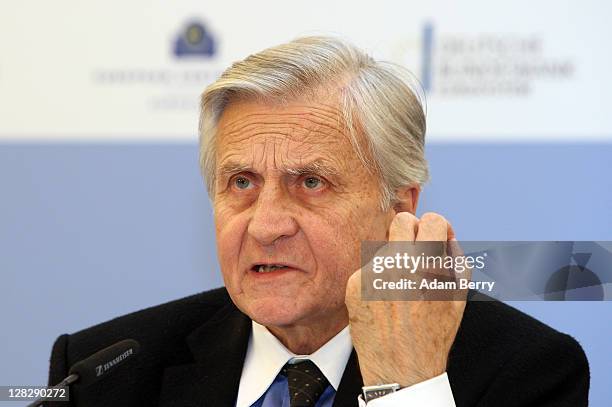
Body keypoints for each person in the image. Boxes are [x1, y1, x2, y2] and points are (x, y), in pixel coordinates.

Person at [46, 36, 589, 407]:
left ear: (399, 207)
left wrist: (408, 388)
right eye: (242, 183)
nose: (267, 225)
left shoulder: (526, 371)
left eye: (310, 182)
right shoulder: (101, 373)